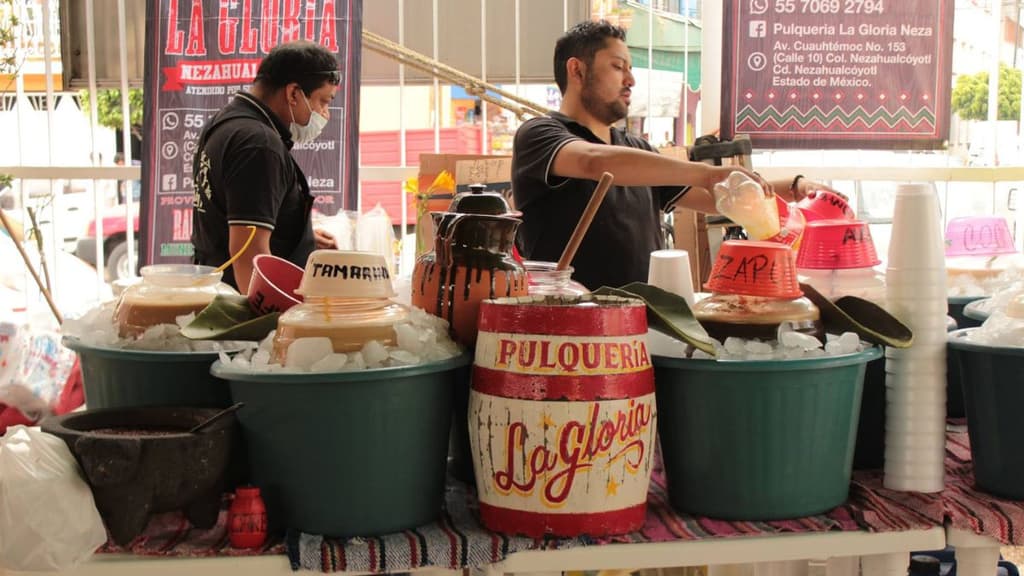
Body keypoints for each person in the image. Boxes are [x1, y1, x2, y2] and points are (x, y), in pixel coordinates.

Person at [512, 20, 833, 290]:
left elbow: (722, 197)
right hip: (567, 327)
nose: (631, 80)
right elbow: (593, 161)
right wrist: (705, 173)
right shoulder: (540, 135)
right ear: (577, 70)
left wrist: (794, 187)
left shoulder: (637, 150)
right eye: (617, 67)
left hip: (643, 326)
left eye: (631, 69)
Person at [191, 40, 337, 292]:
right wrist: (272, 325)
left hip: (219, 288)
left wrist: (299, 237)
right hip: (243, 311)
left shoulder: (226, 122)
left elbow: (238, 215)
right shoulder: (258, 145)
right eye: (323, 101)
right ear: (293, 93)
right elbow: (250, 255)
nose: (325, 113)